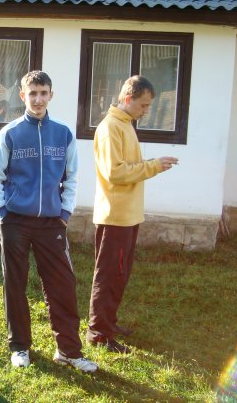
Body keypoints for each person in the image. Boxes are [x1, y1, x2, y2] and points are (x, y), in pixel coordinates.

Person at [0, 70, 98, 373]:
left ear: (51, 95)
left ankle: (68, 350)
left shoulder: (63, 134)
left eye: (43, 93)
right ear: (23, 95)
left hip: (51, 223)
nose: (38, 99)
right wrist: (2, 211)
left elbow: (72, 177)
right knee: (15, 283)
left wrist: (64, 213)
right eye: (32, 93)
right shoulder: (10, 133)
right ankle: (19, 346)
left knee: (62, 284)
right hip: (15, 222)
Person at [87, 75, 178, 353]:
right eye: (143, 105)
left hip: (127, 216)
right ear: (128, 99)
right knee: (108, 276)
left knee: (119, 275)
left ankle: (108, 324)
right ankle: (99, 333)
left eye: (148, 106)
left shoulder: (125, 123)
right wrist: (153, 166)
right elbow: (115, 172)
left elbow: (128, 166)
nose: (146, 110)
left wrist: (151, 165)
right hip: (115, 217)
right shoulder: (110, 127)